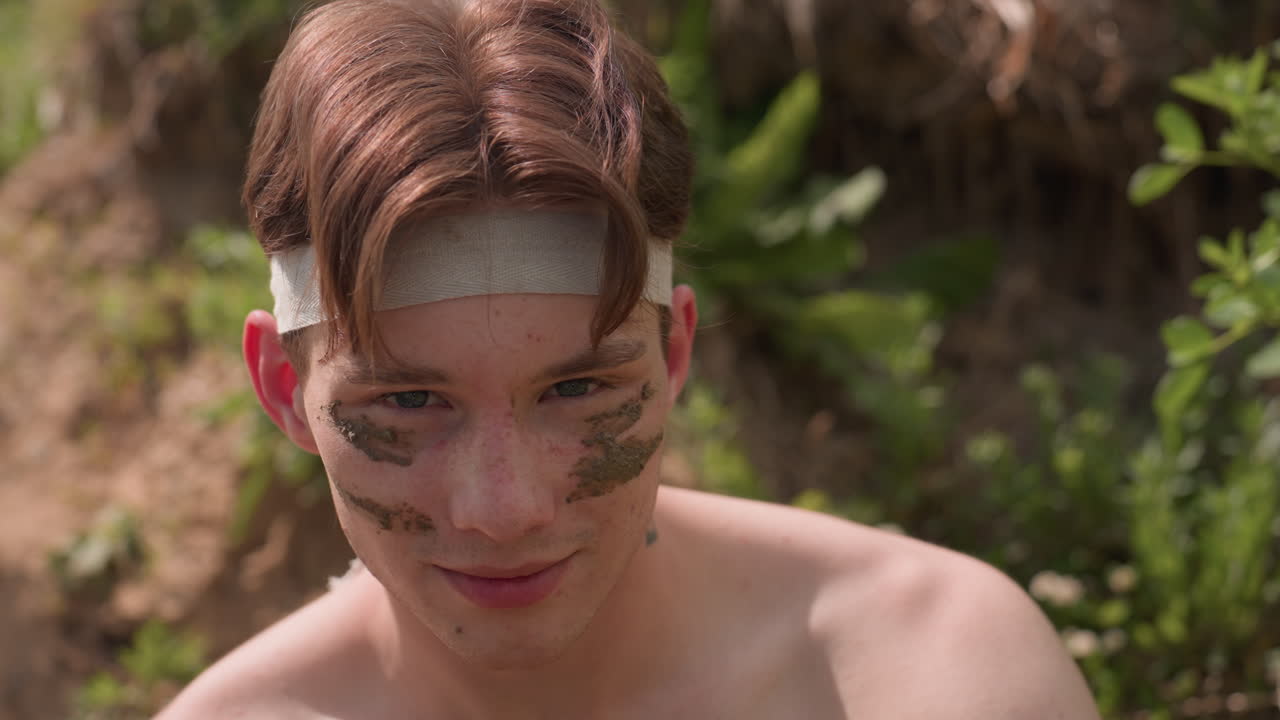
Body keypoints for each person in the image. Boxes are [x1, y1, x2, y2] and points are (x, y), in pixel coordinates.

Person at [159, 0, 1101, 716]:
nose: (506, 509)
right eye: (409, 401)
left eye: (576, 388)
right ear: (285, 391)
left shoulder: (933, 673)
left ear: (676, 352)